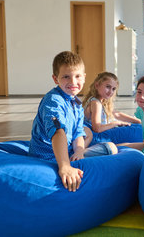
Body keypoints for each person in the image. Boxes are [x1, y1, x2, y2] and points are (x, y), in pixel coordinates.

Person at [28, 51, 117, 192]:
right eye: (66, 77)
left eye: (77, 76)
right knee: (110, 149)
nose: (73, 82)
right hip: (48, 156)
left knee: (111, 147)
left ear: (84, 77)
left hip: (69, 151)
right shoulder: (54, 101)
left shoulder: (76, 103)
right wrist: (65, 166)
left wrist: (80, 151)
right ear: (55, 79)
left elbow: (77, 134)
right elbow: (58, 132)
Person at [82, 72, 141, 144]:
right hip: (97, 137)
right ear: (97, 85)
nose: (110, 91)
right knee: (137, 131)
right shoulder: (96, 103)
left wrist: (137, 121)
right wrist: (116, 123)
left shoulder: (100, 101)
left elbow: (116, 114)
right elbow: (97, 129)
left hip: (99, 135)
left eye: (113, 89)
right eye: (108, 87)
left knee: (137, 126)